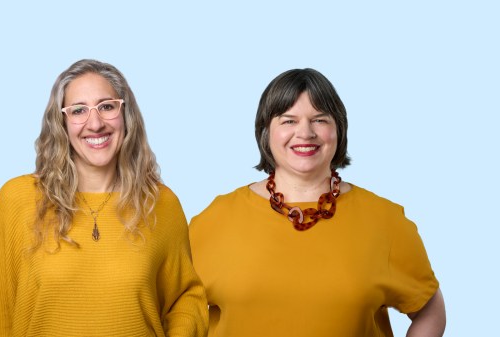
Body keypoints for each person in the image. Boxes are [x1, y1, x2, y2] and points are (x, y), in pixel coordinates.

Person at [189, 68, 445, 336]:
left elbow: (429, 309)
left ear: (338, 129)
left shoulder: (385, 221)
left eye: (320, 120)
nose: (305, 133)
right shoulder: (215, 220)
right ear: (266, 131)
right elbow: (174, 310)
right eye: (288, 121)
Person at [0, 59, 208, 337]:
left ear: (125, 114)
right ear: (61, 123)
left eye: (107, 106)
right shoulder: (18, 200)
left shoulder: (160, 202)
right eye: (78, 110)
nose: (95, 123)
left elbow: (186, 298)